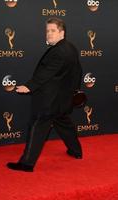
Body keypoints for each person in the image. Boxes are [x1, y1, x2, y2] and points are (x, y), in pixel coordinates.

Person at [7, 17, 82, 172]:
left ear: (62, 32)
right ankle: (76, 151)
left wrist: (29, 86)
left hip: (49, 100)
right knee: (64, 125)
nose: (49, 34)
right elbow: (78, 72)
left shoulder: (59, 51)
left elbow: (46, 73)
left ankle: (26, 164)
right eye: (47, 31)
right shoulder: (70, 48)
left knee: (38, 127)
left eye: (52, 31)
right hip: (62, 100)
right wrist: (72, 91)